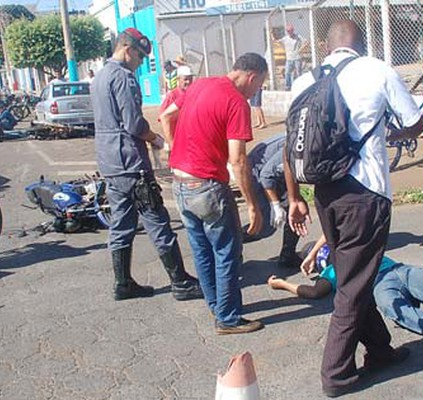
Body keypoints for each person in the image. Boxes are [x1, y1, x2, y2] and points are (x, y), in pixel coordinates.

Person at [284, 20, 423, 397]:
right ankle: (336, 374)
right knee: (353, 286)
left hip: (325, 194)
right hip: (366, 194)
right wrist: (389, 133)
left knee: (352, 277)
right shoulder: (376, 69)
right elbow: (417, 123)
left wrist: (295, 197)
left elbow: (290, 147)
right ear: (361, 44)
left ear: (327, 47)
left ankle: (379, 350)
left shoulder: (304, 80)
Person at [91, 28, 202, 302]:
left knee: (121, 223)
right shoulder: (123, 78)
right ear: (128, 49)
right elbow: (134, 124)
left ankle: (123, 282)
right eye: (140, 57)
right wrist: (156, 139)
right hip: (131, 161)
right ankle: (179, 281)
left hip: (110, 162)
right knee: (156, 219)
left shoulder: (99, 77)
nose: (141, 63)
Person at [160, 53, 267, 335]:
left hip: (180, 182)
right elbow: (238, 159)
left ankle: (217, 306)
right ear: (252, 76)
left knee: (202, 250)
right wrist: (253, 205)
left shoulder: (199, 85)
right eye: (260, 86)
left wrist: (174, 146)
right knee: (227, 252)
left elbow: (166, 116)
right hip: (206, 185)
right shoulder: (236, 102)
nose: (257, 92)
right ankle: (229, 318)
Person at [269, 237, 423, 355]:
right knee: (404, 314)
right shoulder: (332, 271)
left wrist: (294, 273)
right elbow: (314, 292)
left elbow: (329, 228)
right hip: (382, 286)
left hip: (399, 270)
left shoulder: (346, 244)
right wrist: (282, 284)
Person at [242, 133, 302, 269]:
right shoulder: (295, 146)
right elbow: (266, 176)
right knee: (264, 227)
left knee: (296, 211)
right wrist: (275, 206)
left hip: (276, 175)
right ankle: (230, 244)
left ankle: (287, 256)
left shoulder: (303, 139)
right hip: (258, 177)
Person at [159, 65, 194, 148]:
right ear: (178, 79)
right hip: (179, 141)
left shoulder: (193, 94)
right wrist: (172, 143)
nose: (188, 82)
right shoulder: (172, 96)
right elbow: (163, 117)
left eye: (190, 79)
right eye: (185, 79)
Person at [273, 24, 305, 90]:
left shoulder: (298, 37)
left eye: (290, 30)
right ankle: (288, 86)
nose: (289, 32)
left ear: (293, 30)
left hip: (297, 58)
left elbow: (306, 42)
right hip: (289, 59)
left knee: (298, 73)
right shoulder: (285, 39)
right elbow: (277, 41)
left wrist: (301, 49)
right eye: (288, 31)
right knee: (287, 73)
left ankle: (300, 86)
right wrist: (272, 36)